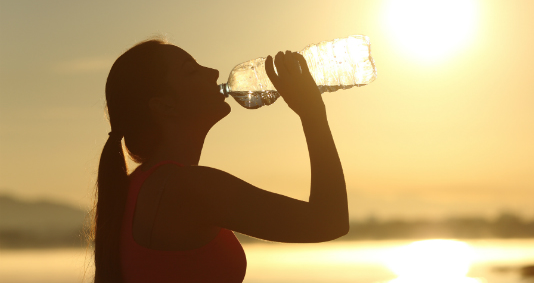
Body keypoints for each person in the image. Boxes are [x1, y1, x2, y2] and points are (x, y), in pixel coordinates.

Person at [92, 38, 349, 283]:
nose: (213, 71)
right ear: (164, 106)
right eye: (191, 71)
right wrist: (312, 113)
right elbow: (328, 221)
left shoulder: (140, 188)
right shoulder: (186, 188)